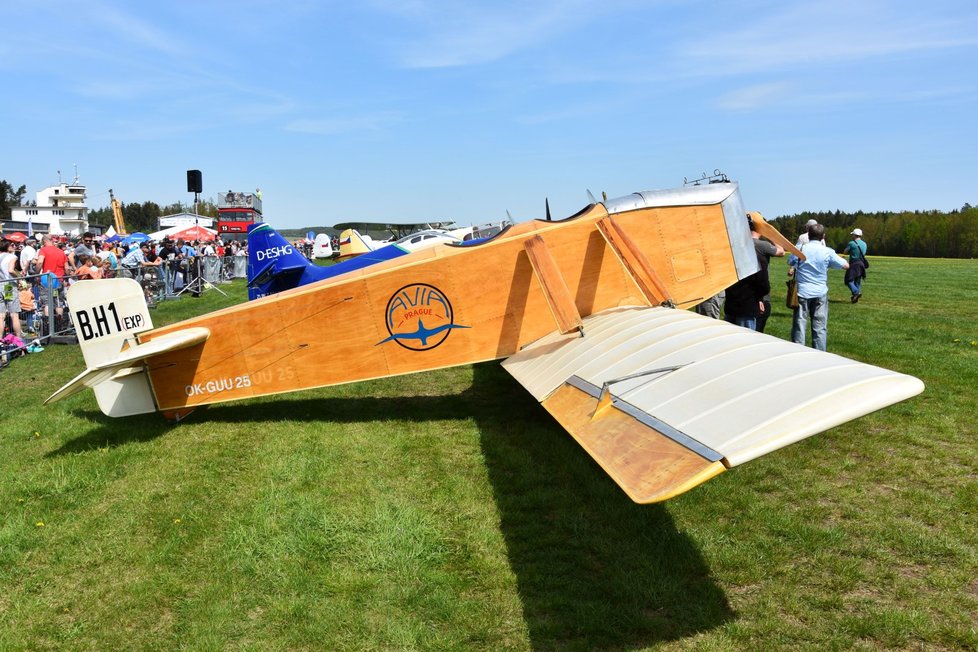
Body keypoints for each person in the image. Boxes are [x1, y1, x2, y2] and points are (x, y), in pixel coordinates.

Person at [788, 223, 849, 351]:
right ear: (823, 237)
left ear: (808, 235)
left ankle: (798, 352)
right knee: (820, 327)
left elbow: (790, 261)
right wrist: (829, 264)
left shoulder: (800, 248)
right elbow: (845, 265)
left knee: (799, 324)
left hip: (802, 292)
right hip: (820, 292)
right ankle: (820, 355)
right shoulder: (827, 251)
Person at [752, 219, 785, 333]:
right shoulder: (763, 245)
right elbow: (781, 251)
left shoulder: (739, 244)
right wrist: (770, 235)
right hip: (761, 292)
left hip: (742, 293)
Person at [0, 240, 23, 338]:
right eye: (12, 245)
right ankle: (19, 341)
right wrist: (19, 277)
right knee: (14, 315)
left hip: (0, 284)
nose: (14, 246)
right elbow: (10, 270)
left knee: (1, 316)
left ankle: (0, 340)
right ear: (7, 246)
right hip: (8, 285)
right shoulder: (12, 256)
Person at [844, 228, 868, 303]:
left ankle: (856, 292)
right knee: (857, 281)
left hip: (854, 263)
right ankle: (855, 299)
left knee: (848, 280)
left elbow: (845, 252)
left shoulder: (851, 243)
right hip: (861, 264)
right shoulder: (864, 244)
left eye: (853, 235)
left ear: (855, 235)